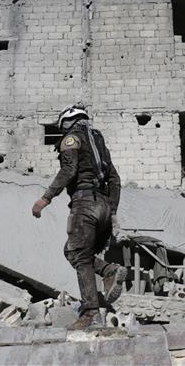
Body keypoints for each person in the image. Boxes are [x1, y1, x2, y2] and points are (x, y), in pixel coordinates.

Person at [31, 103, 127, 329]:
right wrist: (112, 212)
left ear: (66, 122)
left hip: (85, 204)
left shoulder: (71, 138)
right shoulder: (99, 143)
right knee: (73, 251)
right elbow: (115, 179)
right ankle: (108, 271)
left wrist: (45, 198)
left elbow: (69, 169)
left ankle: (90, 313)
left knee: (79, 255)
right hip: (104, 206)